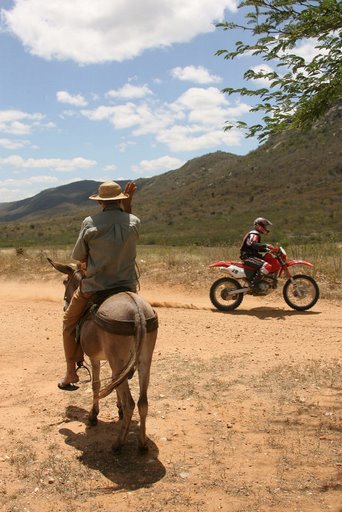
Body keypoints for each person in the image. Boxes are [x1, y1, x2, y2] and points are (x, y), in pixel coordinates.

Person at [58, 180, 140, 389]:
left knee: (69, 321)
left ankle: (70, 372)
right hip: (127, 286)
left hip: (96, 287)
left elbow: (78, 256)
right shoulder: (134, 221)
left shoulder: (89, 222)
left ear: (100, 202)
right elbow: (127, 221)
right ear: (120, 200)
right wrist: (128, 204)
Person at [240, 217, 278, 287]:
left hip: (251, 255)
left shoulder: (256, 234)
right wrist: (267, 245)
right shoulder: (254, 234)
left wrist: (268, 250)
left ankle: (261, 282)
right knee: (266, 266)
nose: (266, 228)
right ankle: (254, 285)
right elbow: (254, 244)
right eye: (265, 226)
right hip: (248, 256)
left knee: (267, 261)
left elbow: (256, 248)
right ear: (259, 226)